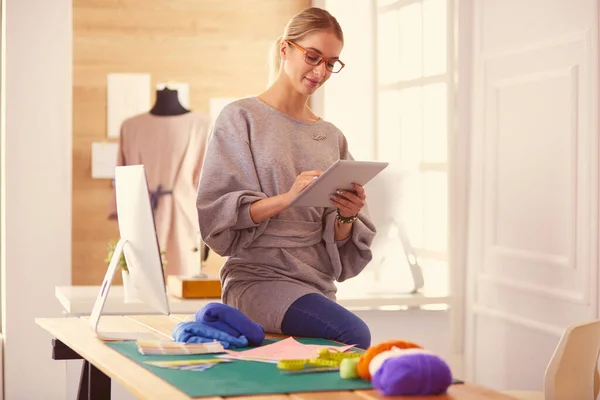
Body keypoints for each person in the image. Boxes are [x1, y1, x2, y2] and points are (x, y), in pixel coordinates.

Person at [196, 6, 376, 349]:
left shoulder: (330, 135)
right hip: (258, 280)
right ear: (284, 48)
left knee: (327, 363)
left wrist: (348, 214)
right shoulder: (240, 118)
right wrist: (286, 198)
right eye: (313, 56)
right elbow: (215, 213)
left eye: (331, 63)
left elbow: (338, 240)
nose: (320, 70)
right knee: (355, 335)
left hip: (316, 284)